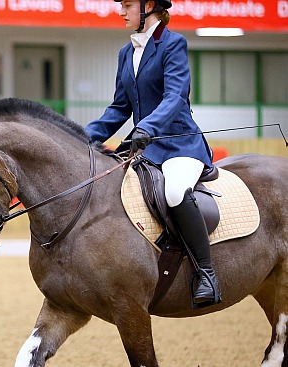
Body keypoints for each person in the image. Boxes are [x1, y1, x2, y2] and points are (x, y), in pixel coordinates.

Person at [85, 0, 221, 306]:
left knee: (174, 191)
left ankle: (206, 273)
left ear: (150, 7)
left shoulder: (173, 44)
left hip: (178, 144)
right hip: (145, 146)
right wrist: (83, 135)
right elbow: (120, 107)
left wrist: (148, 127)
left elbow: (175, 96)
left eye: (128, 5)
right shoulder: (126, 53)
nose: (121, 12)